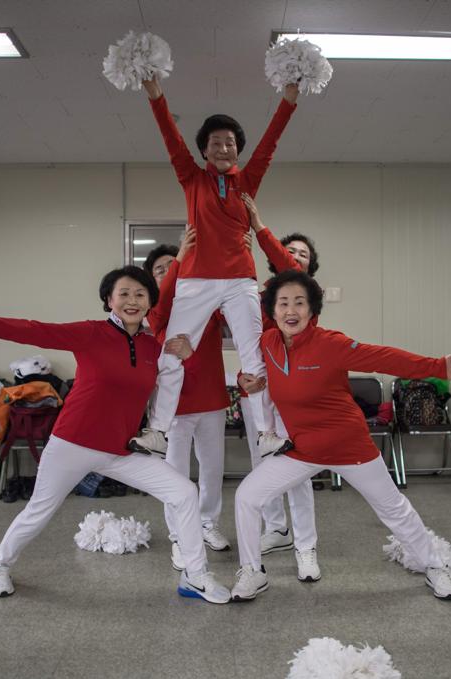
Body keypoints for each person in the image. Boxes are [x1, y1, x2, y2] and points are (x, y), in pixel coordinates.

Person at [0, 266, 231, 604]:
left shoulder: (153, 348)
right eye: (123, 293)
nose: (132, 300)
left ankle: (196, 577)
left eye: (140, 294)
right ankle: (0, 563)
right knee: (38, 511)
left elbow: (179, 384)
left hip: (120, 450)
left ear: (149, 302)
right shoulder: (90, 333)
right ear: (108, 300)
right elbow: (32, 330)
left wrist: (187, 358)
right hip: (72, 443)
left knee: (184, 492)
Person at [231, 270, 451, 602]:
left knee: (393, 509)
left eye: (299, 303)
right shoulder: (268, 344)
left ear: (312, 309)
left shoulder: (330, 344)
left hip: (350, 447)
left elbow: (384, 357)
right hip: (302, 449)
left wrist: (437, 367)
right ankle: (252, 571)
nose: (291, 311)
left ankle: (434, 565)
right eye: (283, 303)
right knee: (247, 496)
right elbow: (254, 375)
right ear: (273, 310)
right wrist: (244, 381)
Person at [127, 75, 300, 460]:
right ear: (204, 150)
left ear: (237, 150)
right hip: (196, 280)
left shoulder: (247, 181)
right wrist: (156, 95)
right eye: (216, 143)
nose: (224, 148)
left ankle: (266, 433)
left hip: (240, 281)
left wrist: (288, 101)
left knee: (252, 355)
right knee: (172, 353)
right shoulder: (192, 179)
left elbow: (269, 144)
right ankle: (157, 430)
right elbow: (171, 140)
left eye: (231, 143)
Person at [236, 194, 321, 581]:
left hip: (294, 390)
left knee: (296, 472)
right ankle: (278, 529)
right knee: (263, 465)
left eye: (303, 253)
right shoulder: (259, 293)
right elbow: (245, 341)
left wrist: (257, 223)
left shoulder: (306, 297)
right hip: (259, 390)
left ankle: (306, 547)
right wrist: (243, 379)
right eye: (291, 251)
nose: (296, 256)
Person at [144, 230, 234, 570]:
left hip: (211, 400)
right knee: (175, 475)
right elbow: (167, 339)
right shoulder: (156, 311)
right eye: (160, 269)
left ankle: (207, 523)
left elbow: (236, 310)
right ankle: (180, 535)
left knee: (212, 470)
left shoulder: (207, 305)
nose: (169, 272)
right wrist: (181, 255)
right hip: (176, 409)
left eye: (173, 266)